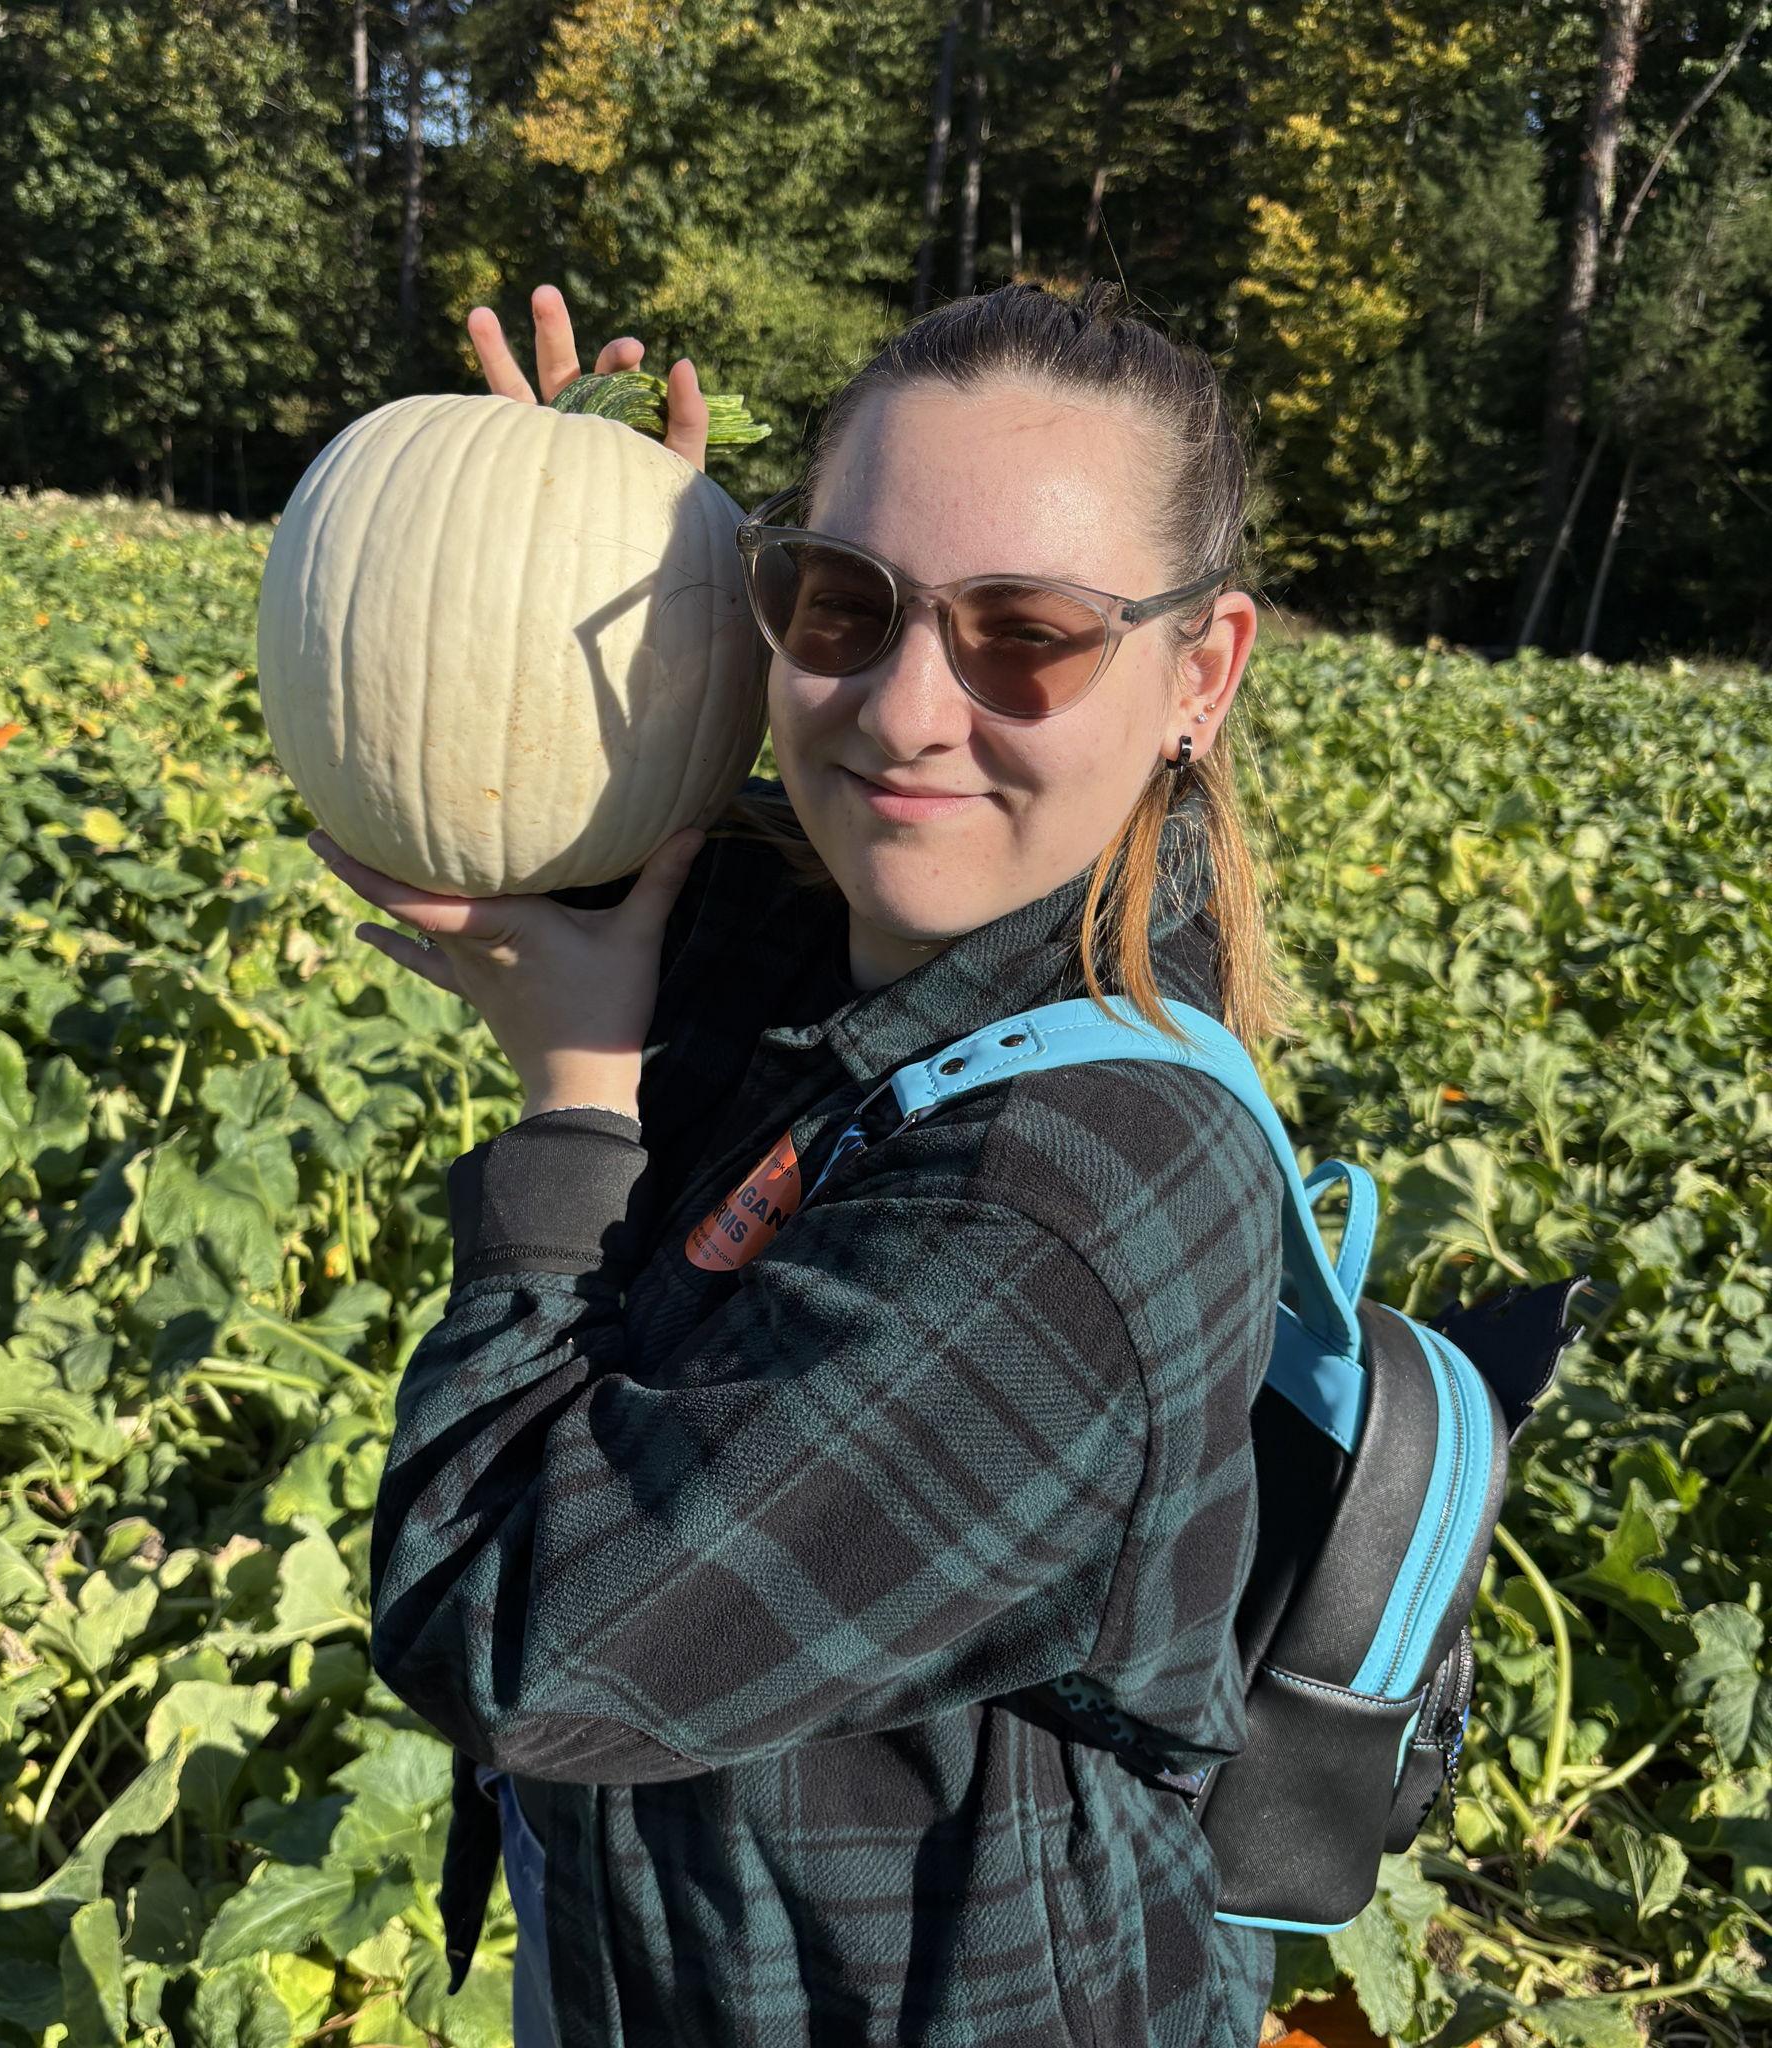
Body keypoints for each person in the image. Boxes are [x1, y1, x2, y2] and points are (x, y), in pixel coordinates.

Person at [316, 278, 1301, 2047]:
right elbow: (499, 804)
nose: (908, 710)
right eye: (843, 605)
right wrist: (585, 563)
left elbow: (508, 1633)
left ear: (1198, 671)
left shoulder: (1074, 1202)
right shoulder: (825, 934)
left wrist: (569, 1105)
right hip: (664, 1958)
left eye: (1026, 635)